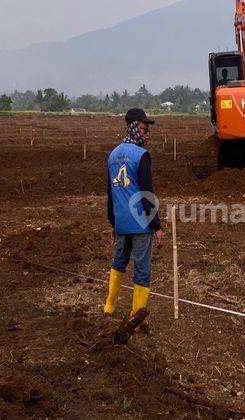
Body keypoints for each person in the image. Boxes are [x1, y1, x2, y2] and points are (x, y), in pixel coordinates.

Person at [104, 108, 163, 319]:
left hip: (121, 223)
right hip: (141, 225)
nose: (147, 134)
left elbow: (110, 194)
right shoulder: (141, 156)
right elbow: (147, 194)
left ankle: (109, 306)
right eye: (145, 129)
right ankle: (136, 317)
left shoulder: (113, 155)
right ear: (134, 127)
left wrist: (113, 223)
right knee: (142, 270)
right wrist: (156, 225)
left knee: (118, 262)